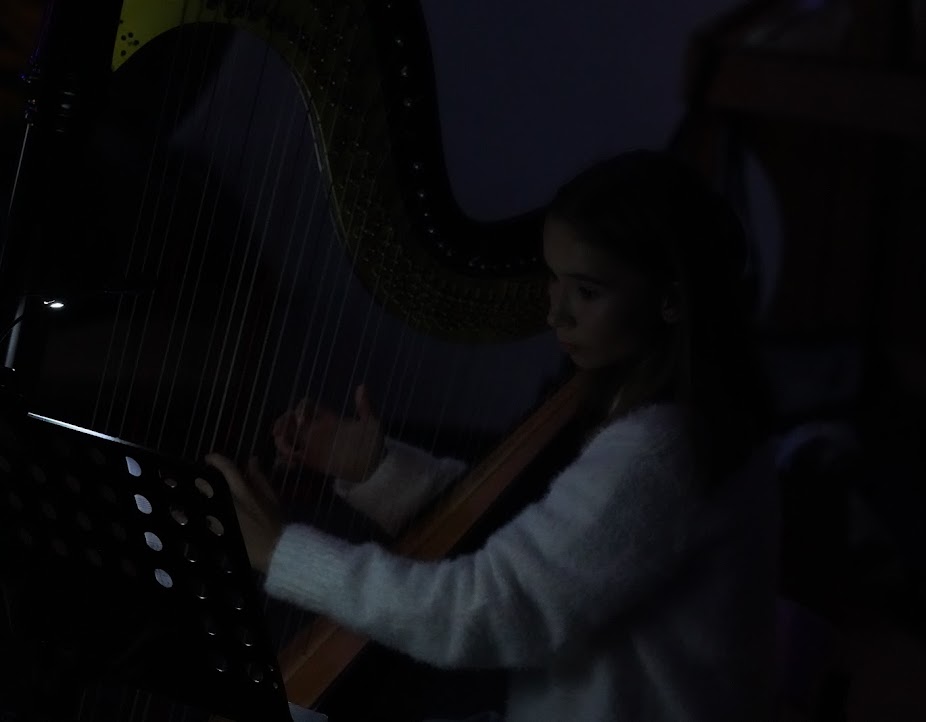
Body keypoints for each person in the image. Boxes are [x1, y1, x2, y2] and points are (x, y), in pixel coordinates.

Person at [208, 149, 780, 721]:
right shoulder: (666, 414)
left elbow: (481, 612)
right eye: (554, 280)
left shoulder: (658, 451)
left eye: (587, 291)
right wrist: (376, 469)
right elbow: (539, 540)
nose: (556, 314)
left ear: (671, 300)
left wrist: (280, 552)